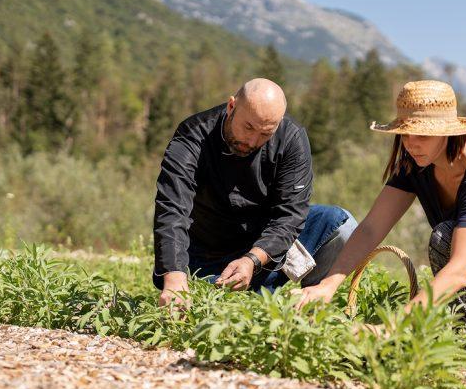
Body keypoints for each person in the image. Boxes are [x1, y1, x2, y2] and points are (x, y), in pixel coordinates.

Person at [296, 80, 466, 380]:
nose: (411, 143)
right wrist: (329, 285)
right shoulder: (414, 165)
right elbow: (370, 229)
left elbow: (459, 271)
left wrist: (391, 327)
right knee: (441, 320)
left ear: (447, 132)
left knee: (446, 238)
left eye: (422, 134)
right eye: (405, 133)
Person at [153, 78, 357, 307]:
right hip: (206, 255)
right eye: (248, 127)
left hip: (262, 252)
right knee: (212, 306)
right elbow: (172, 208)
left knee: (341, 224)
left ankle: (309, 307)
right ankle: (224, 294)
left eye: (265, 134)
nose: (252, 141)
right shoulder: (193, 135)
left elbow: (290, 215)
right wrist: (174, 279)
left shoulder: (291, 138)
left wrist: (252, 260)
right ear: (231, 106)